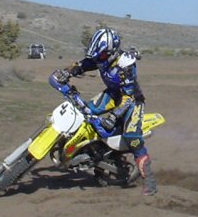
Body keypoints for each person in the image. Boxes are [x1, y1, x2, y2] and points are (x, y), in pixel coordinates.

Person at [54, 28, 157, 196]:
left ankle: (150, 181)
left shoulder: (126, 63)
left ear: (111, 52)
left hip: (131, 100)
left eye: (101, 55)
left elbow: (128, 97)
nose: (98, 58)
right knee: (84, 111)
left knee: (132, 137)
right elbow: (84, 65)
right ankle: (86, 150)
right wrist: (68, 71)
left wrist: (113, 116)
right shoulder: (101, 58)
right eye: (97, 55)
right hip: (112, 94)